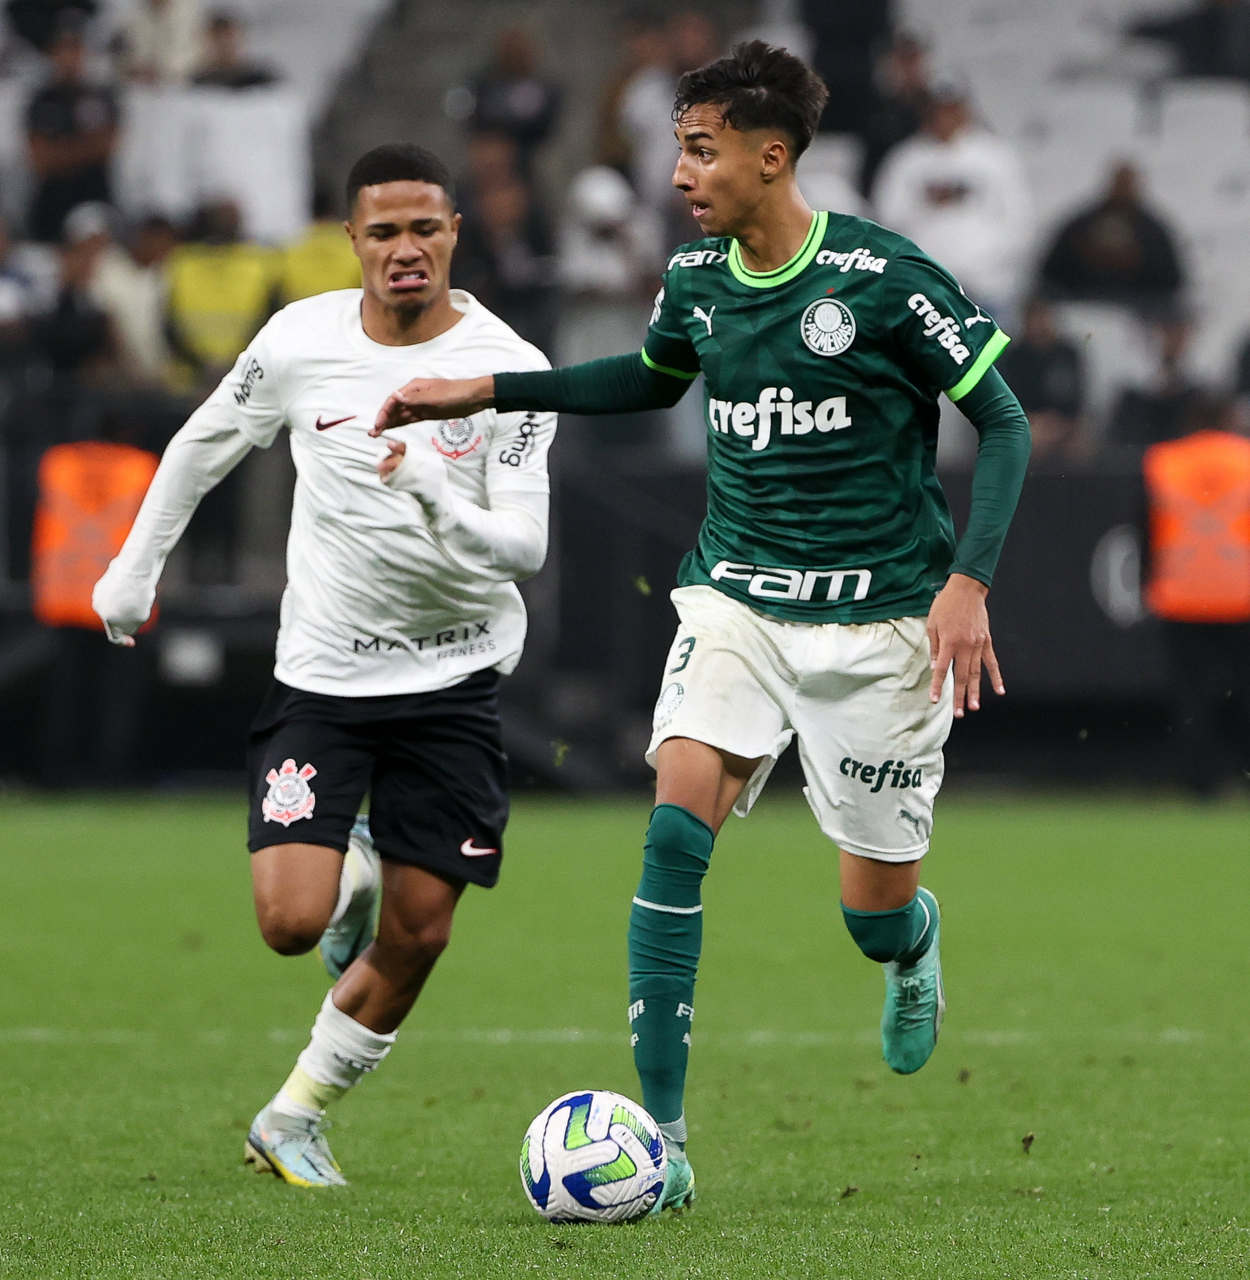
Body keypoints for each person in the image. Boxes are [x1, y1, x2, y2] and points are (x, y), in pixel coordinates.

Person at [372, 42, 1031, 1213]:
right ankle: (665, 1143)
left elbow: (1006, 419)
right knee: (673, 834)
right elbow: (649, 376)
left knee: (869, 913)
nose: (677, 172)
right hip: (734, 600)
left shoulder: (884, 278)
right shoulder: (694, 276)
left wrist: (967, 582)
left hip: (879, 625)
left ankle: (910, 944)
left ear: (770, 156)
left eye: (699, 149)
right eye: (678, 148)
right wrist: (489, 387)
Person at [91, 143, 556, 1186]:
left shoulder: (507, 366)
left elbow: (523, 547)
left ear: (454, 234)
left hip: (453, 682)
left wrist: (436, 499)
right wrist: (132, 568)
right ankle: (351, 876)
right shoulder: (300, 339)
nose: (405, 248)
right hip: (325, 680)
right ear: (351, 240)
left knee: (420, 934)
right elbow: (204, 442)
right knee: (290, 923)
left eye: (424, 228)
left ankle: (293, 1114)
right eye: (383, 231)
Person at [1142, 395, 1250, 795]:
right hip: (1241, 594)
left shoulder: (1164, 460)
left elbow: (1144, 528)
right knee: (1245, 691)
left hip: (1181, 595)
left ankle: (1199, 781)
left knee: (1191, 695)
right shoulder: (1245, 458)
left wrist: (1147, 581)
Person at [873, 85, 1032, 326]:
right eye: (937, 110)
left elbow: (1019, 219)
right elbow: (887, 219)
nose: (943, 118)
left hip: (986, 286)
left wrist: (988, 262)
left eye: (951, 110)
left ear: (965, 111)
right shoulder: (906, 159)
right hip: (925, 287)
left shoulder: (994, 156)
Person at [1038, 163, 1184, 321]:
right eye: (1119, 184)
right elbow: (1051, 273)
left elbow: (1171, 281)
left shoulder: (1153, 233)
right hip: (1080, 304)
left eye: (1127, 184)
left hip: (1139, 310)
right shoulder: (1080, 227)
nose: (1123, 190)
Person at [25, 19, 120, 244]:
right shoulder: (42, 100)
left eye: (75, 49)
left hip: (94, 193)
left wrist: (62, 151)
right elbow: (40, 159)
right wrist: (87, 147)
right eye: (63, 49)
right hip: (53, 200)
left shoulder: (101, 96)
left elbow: (108, 146)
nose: (69, 57)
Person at [996, 297, 1085, 462]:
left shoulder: (1067, 353)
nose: (1038, 325)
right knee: (1032, 438)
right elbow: (1009, 399)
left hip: (1065, 422)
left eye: (1043, 317)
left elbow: (1076, 396)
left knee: (1081, 442)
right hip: (1028, 421)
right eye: (1034, 319)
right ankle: (1032, 478)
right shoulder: (1014, 356)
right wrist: (1036, 420)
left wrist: (1059, 422)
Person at [465, 28, 560, 180]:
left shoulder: (544, 90)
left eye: (519, 49)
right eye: (510, 49)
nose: (514, 55)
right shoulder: (483, 87)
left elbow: (546, 125)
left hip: (526, 160)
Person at [1106, 315, 1202, 454]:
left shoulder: (1196, 393)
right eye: (1168, 332)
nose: (1173, 340)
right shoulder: (1131, 393)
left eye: (1179, 334)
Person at [859, 32, 931, 198]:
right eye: (902, 60)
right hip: (894, 193)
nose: (908, 68)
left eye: (913, 59)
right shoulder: (875, 111)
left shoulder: (942, 106)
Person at [278, 187, 361, 306]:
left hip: (302, 312)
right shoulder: (354, 247)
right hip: (343, 310)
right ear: (335, 209)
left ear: (309, 210)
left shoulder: (290, 249)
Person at [1129, 0, 1250, 81]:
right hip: (1198, 84)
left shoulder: (1241, 19)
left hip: (1230, 84)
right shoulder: (1197, 22)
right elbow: (1169, 29)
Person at [114, 0, 205, 85]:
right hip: (139, 84)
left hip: (183, 85)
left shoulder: (188, 12)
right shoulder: (137, 12)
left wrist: (160, 69)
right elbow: (133, 50)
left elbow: (191, 56)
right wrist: (137, 65)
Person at [191, 10, 277, 90]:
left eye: (228, 36)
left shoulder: (260, 79)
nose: (224, 44)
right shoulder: (201, 82)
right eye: (217, 38)